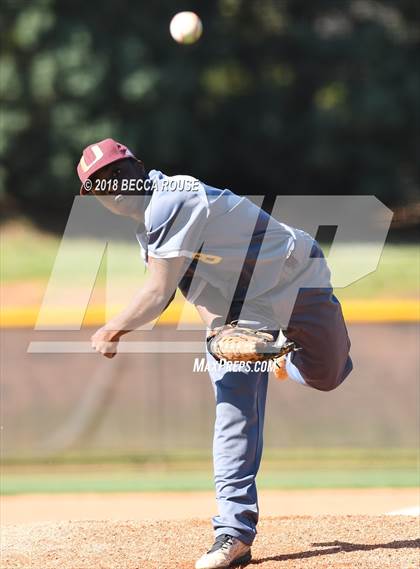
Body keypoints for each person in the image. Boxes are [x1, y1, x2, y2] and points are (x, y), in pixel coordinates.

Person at [77, 138, 353, 569]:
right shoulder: (146, 230)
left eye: (114, 172)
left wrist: (113, 328)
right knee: (233, 408)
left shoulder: (173, 197)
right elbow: (191, 287)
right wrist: (221, 330)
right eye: (96, 185)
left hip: (297, 276)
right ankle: (233, 533)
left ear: (137, 165)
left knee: (329, 374)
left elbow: (157, 291)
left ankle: (282, 357)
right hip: (246, 310)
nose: (109, 186)